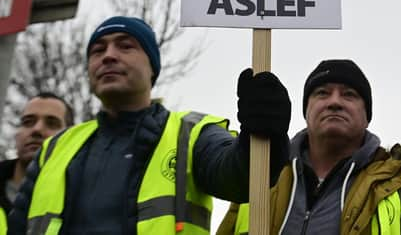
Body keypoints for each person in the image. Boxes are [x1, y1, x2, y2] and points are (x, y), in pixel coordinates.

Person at [8, 16, 291, 234]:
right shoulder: (55, 148)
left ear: (153, 66)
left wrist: (265, 129)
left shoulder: (191, 133)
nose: (108, 55)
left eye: (125, 45)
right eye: (97, 50)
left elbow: (241, 177)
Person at [217, 59, 401, 235]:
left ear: (367, 117)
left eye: (349, 95)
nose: (334, 102)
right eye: (322, 93)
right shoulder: (262, 176)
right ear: (306, 111)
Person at [0, 93, 73, 232]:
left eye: (51, 123)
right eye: (28, 122)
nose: (37, 129)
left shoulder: (81, 198)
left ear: (70, 137)